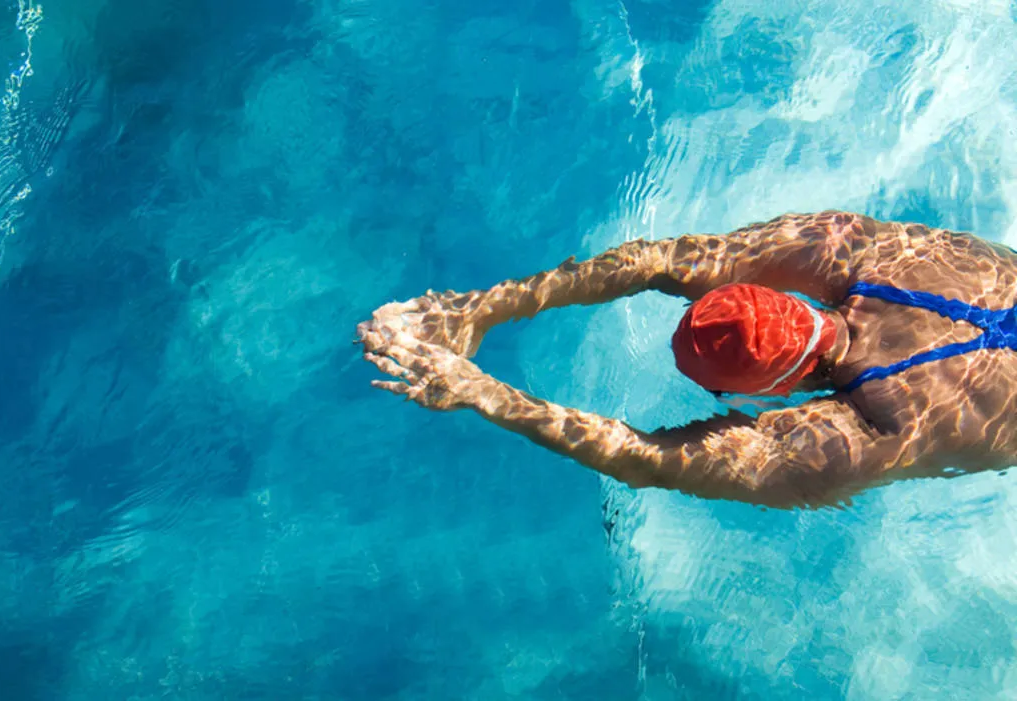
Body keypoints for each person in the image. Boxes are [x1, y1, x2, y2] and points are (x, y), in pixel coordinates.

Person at [356, 210, 1017, 508]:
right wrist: (480, 308)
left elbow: (648, 459)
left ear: (770, 392)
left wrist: (477, 390)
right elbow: (656, 261)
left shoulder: (871, 433)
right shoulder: (856, 251)